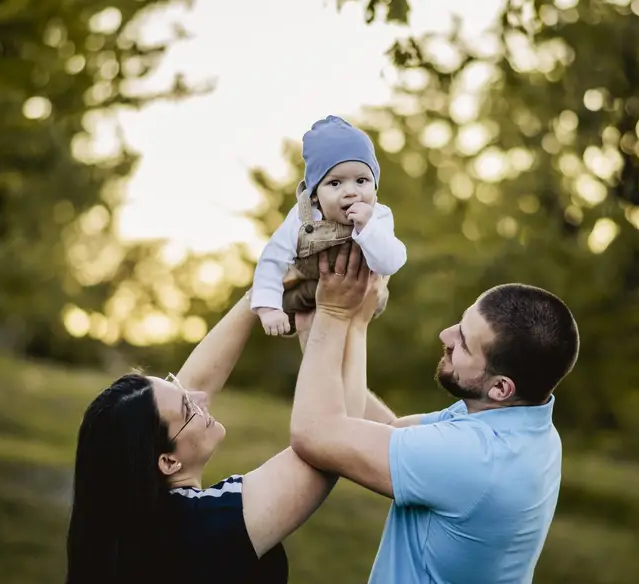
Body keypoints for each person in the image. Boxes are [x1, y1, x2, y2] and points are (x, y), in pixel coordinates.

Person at [290, 243, 580, 583]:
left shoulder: (477, 456)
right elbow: (388, 432)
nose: (445, 335)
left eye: (463, 343)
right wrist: (348, 327)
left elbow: (314, 434)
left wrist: (335, 315)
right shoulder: (519, 421)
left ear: (501, 388)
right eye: (460, 323)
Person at [65, 283, 389, 584]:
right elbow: (331, 437)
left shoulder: (126, 530)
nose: (201, 399)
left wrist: (260, 292)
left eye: (179, 388)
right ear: (167, 461)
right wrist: (341, 316)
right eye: (189, 408)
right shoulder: (205, 525)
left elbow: (192, 390)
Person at [250, 115, 406, 336]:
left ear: (375, 184)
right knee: (304, 322)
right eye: (335, 183)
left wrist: (368, 227)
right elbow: (272, 259)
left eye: (361, 181)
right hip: (308, 290)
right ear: (314, 195)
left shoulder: (378, 216)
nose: (351, 191)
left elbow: (391, 262)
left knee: (349, 339)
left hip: (363, 292)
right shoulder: (302, 217)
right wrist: (268, 309)